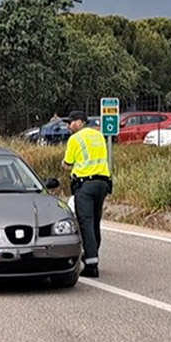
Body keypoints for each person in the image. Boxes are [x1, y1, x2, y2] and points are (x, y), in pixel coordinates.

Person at [62, 110, 111, 278]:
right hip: (103, 183)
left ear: (80, 122)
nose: (69, 126)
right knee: (95, 221)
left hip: (85, 185)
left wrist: (64, 164)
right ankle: (93, 254)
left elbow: (68, 163)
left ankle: (91, 265)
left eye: (71, 122)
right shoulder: (98, 136)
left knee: (85, 223)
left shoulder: (75, 139)